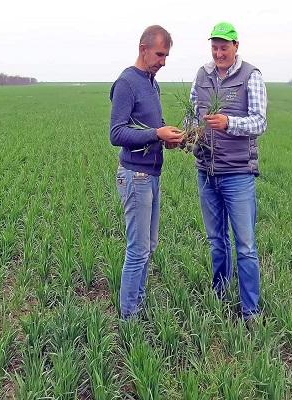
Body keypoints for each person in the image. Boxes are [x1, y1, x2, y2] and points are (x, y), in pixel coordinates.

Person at [189, 22, 268, 323]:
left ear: (236, 46)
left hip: (237, 173)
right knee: (216, 239)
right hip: (206, 170)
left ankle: (251, 311)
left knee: (245, 245)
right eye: (215, 47)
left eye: (224, 47)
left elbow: (260, 122)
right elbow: (192, 111)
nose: (219, 52)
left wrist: (229, 123)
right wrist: (187, 135)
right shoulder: (202, 75)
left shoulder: (251, 76)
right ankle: (219, 294)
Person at [109, 25, 184, 320]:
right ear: (143, 49)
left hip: (152, 175)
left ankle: (137, 304)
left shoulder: (152, 83)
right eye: (160, 54)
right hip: (135, 176)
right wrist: (156, 133)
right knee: (138, 249)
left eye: (166, 55)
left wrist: (171, 139)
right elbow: (116, 133)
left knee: (149, 246)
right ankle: (129, 317)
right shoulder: (127, 83)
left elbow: (155, 127)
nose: (163, 61)